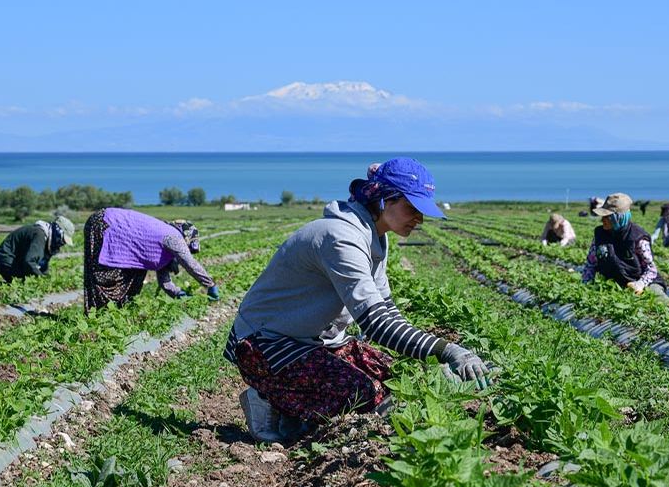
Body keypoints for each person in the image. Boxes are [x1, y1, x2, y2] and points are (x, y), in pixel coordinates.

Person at [222, 157, 491, 443]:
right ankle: (268, 398)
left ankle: (294, 410)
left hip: (316, 341)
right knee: (365, 395)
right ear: (386, 200)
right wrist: (446, 351)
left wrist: (442, 352)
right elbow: (375, 323)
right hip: (267, 345)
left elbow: (386, 309)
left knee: (393, 378)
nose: (419, 219)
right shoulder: (341, 238)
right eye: (412, 208)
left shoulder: (375, 237)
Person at [82, 208, 219, 313]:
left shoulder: (163, 247)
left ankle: (110, 313)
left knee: (134, 277)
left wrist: (179, 294)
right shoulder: (174, 236)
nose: (186, 250)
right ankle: (100, 315)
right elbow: (190, 263)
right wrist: (210, 284)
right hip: (105, 223)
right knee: (106, 276)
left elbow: (165, 282)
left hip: (104, 222)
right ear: (186, 238)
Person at [581, 193, 669, 305]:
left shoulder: (637, 237)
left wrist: (639, 284)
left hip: (643, 282)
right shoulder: (600, 235)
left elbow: (651, 269)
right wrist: (586, 286)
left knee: (658, 299)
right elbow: (591, 264)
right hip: (615, 284)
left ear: (618, 217)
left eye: (607, 216)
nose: (602, 220)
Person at [0, 216, 76, 283]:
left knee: (25, 281)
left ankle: (4, 287)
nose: (62, 244)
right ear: (58, 232)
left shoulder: (45, 237)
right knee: (22, 282)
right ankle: (1, 290)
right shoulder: (39, 235)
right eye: (62, 240)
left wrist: (46, 277)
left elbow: (43, 263)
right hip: (6, 259)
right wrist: (41, 279)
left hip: (15, 260)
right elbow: (29, 261)